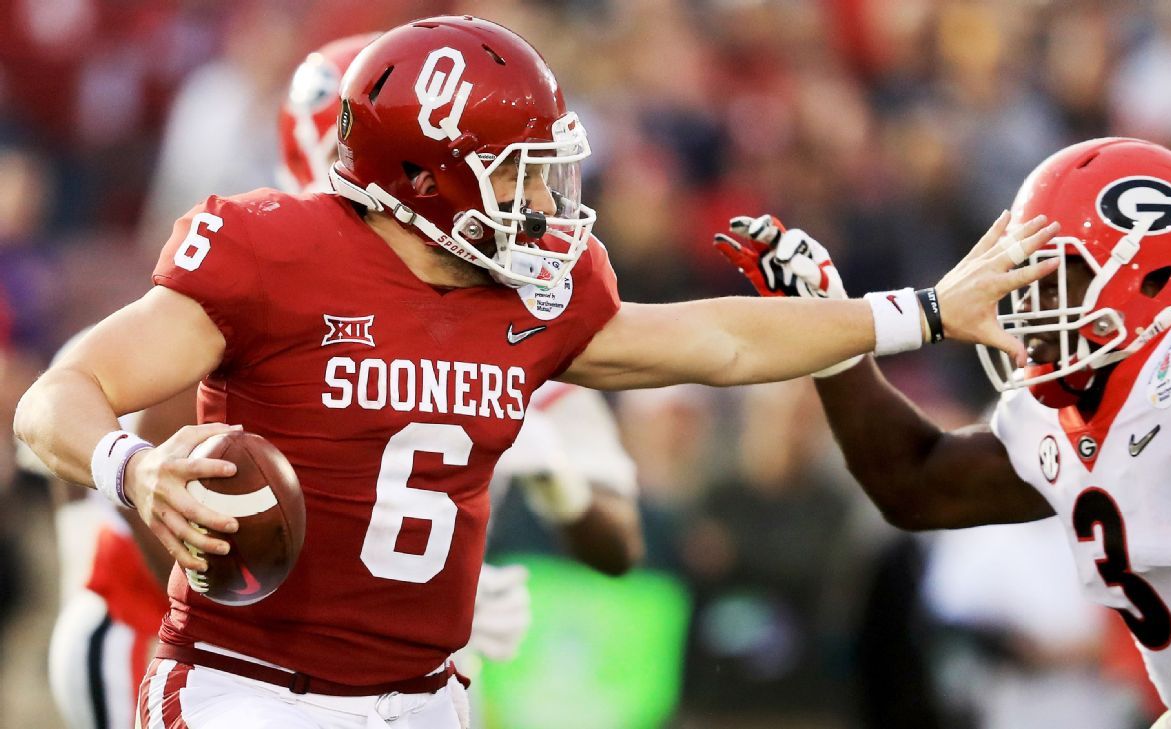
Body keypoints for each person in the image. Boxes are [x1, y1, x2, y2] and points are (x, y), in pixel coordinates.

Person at [14, 16, 1054, 729]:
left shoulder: (534, 297)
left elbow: (720, 342)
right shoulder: (270, 251)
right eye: (521, 173)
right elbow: (58, 396)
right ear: (426, 169)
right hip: (253, 693)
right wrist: (132, 471)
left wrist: (919, 314)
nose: (550, 204)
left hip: (427, 697)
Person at [40, 32, 642, 729]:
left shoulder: (521, 307)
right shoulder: (256, 287)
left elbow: (620, 545)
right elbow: (83, 435)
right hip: (210, 658)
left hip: (406, 679)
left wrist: (562, 486)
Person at [716, 136, 1171, 729]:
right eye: (1026, 280)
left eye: (1053, 279)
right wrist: (834, 340)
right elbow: (914, 486)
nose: (1027, 305)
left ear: (1152, 279)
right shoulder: (1053, 418)